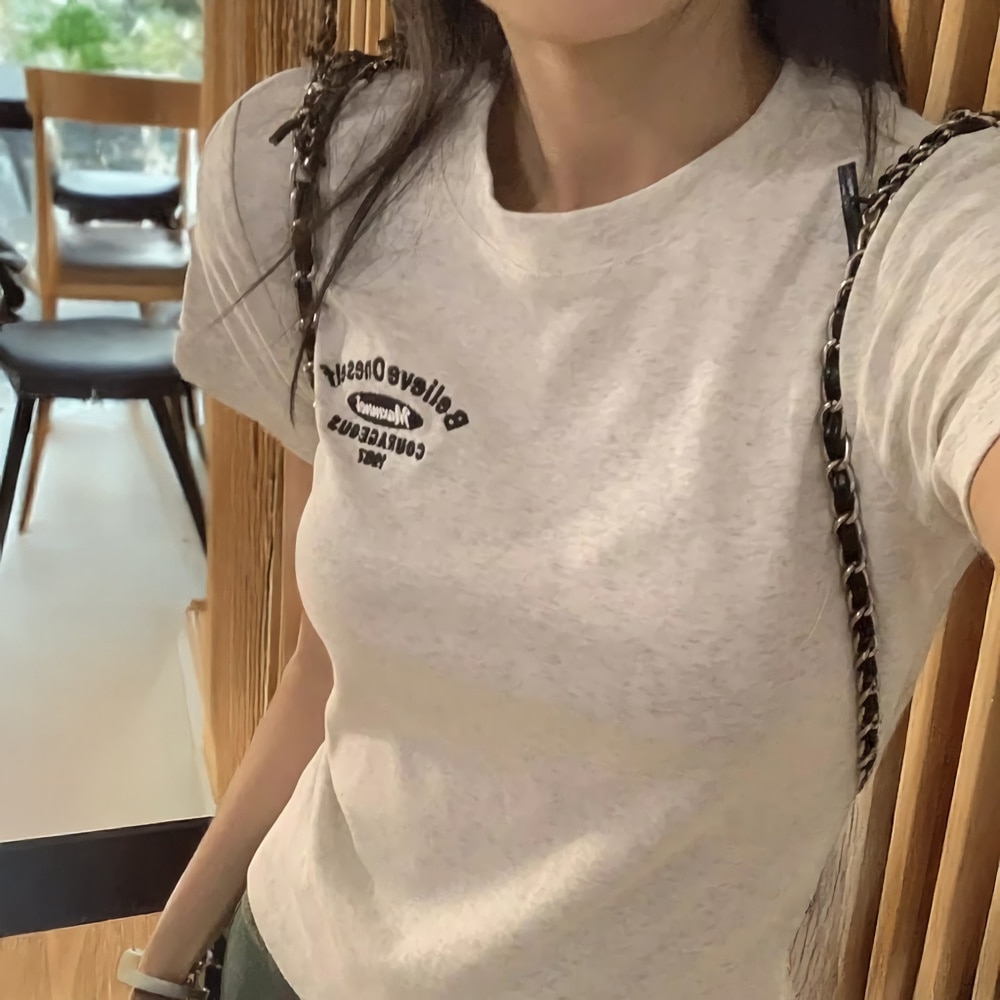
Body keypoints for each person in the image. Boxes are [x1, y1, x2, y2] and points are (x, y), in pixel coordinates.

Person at [132, 1, 1000, 997]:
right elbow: (322, 670)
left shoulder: (929, 238)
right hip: (279, 961)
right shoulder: (319, 164)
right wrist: (163, 969)